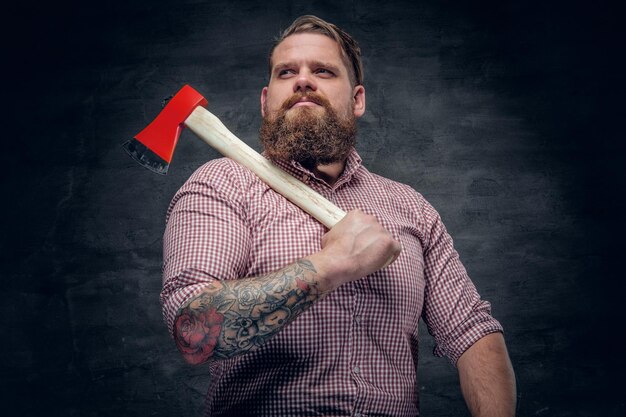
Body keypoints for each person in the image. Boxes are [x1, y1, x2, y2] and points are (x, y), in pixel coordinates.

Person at [161, 15, 516, 417]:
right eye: (286, 72)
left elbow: (473, 333)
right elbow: (193, 332)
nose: (303, 80)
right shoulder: (223, 184)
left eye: (324, 71)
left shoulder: (410, 207)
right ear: (266, 100)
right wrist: (332, 264)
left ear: (357, 99)